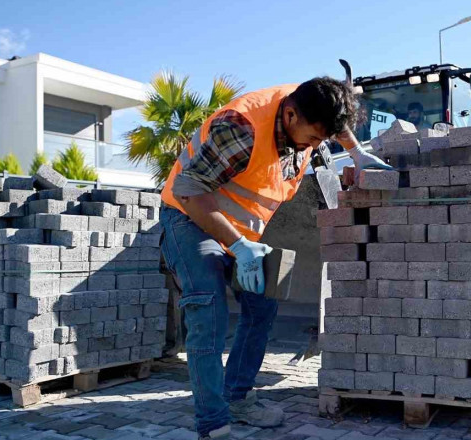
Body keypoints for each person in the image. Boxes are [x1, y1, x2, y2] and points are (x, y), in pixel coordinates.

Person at [159, 77, 392, 440]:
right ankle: (212, 423)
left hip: (240, 231)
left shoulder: (313, 103)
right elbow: (187, 190)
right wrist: (237, 246)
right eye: (313, 139)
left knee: (263, 305)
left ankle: (237, 397)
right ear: (289, 114)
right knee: (208, 311)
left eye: (322, 140)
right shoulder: (241, 128)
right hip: (189, 218)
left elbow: (335, 123)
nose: (315, 147)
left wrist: (357, 152)